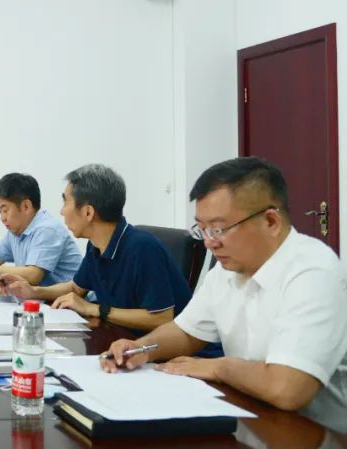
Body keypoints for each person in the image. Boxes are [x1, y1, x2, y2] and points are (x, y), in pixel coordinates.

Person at [102, 157, 347, 422]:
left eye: (219, 229)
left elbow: (287, 389)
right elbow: (186, 332)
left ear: (271, 221)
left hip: (315, 431)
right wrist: (140, 349)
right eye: (202, 229)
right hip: (251, 414)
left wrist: (219, 368)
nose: (209, 243)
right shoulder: (226, 271)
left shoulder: (313, 272)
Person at [0, 164, 191, 332]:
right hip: (123, 340)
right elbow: (76, 288)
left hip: (172, 353)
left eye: (65, 201)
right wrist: (33, 292)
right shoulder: (96, 245)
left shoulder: (142, 248)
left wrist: (94, 309)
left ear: (88, 212)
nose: (61, 211)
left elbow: (161, 318)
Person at [0, 173, 82, 285]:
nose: (2, 218)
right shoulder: (17, 231)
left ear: (26, 206)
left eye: (5, 210)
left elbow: (33, 275)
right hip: (45, 302)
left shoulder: (47, 230)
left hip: (73, 304)